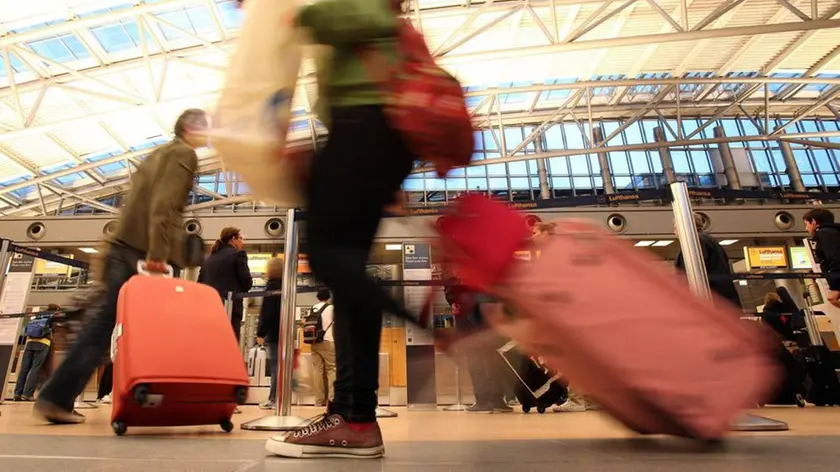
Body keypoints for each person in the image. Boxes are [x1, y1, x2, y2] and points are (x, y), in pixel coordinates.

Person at [265, 0, 416, 459]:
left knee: (333, 259)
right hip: (368, 133)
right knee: (344, 270)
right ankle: (355, 417)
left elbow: (372, 16)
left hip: (365, 129)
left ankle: (355, 415)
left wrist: (303, 18)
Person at [33, 108, 208, 424]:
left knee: (105, 324)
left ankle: (61, 396)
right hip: (138, 253)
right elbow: (164, 205)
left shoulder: (160, 153)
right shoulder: (183, 153)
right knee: (110, 326)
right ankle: (57, 397)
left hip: (123, 247)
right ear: (190, 127)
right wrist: (157, 253)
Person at [674, 213, 741, 307]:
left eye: (676, 227)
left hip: (711, 302)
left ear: (684, 225)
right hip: (723, 300)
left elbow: (691, 274)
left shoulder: (694, 241)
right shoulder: (709, 241)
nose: (674, 232)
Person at [198, 227, 253, 341]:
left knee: (212, 343)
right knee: (230, 344)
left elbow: (199, 284)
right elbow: (246, 283)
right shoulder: (238, 255)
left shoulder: (208, 259)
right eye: (241, 238)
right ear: (233, 239)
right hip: (230, 309)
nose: (242, 242)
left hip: (209, 310)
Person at [14, 304, 61, 402]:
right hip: (43, 344)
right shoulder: (53, 317)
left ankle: (17, 393)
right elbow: (52, 332)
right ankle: (27, 394)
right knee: (35, 369)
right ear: (56, 309)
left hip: (30, 343)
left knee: (24, 369)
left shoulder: (38, 315)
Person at [256, 258, 283, 410]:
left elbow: (268, 312)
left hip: (273, 333)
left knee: (274, 368)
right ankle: (279, 397)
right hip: (282, 332)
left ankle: (273, 399)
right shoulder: (283, 286)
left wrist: (261, 332)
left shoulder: (271, 286)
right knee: (280, 367)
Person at [804, 208, 840, 307]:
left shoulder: (825, 233)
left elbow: (835, 258)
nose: (806, 228)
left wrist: (836, 287)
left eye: (807, 224)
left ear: (814, 222)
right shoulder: (834, 232)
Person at [308, 288, 337, 408]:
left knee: (318, 371)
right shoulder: (331, 308)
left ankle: (319, 401)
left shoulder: (313, 308)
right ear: (328, 297)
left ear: (318, 297)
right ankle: (332, 399)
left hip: (314, 342)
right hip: (327, 340)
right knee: (331, 369)